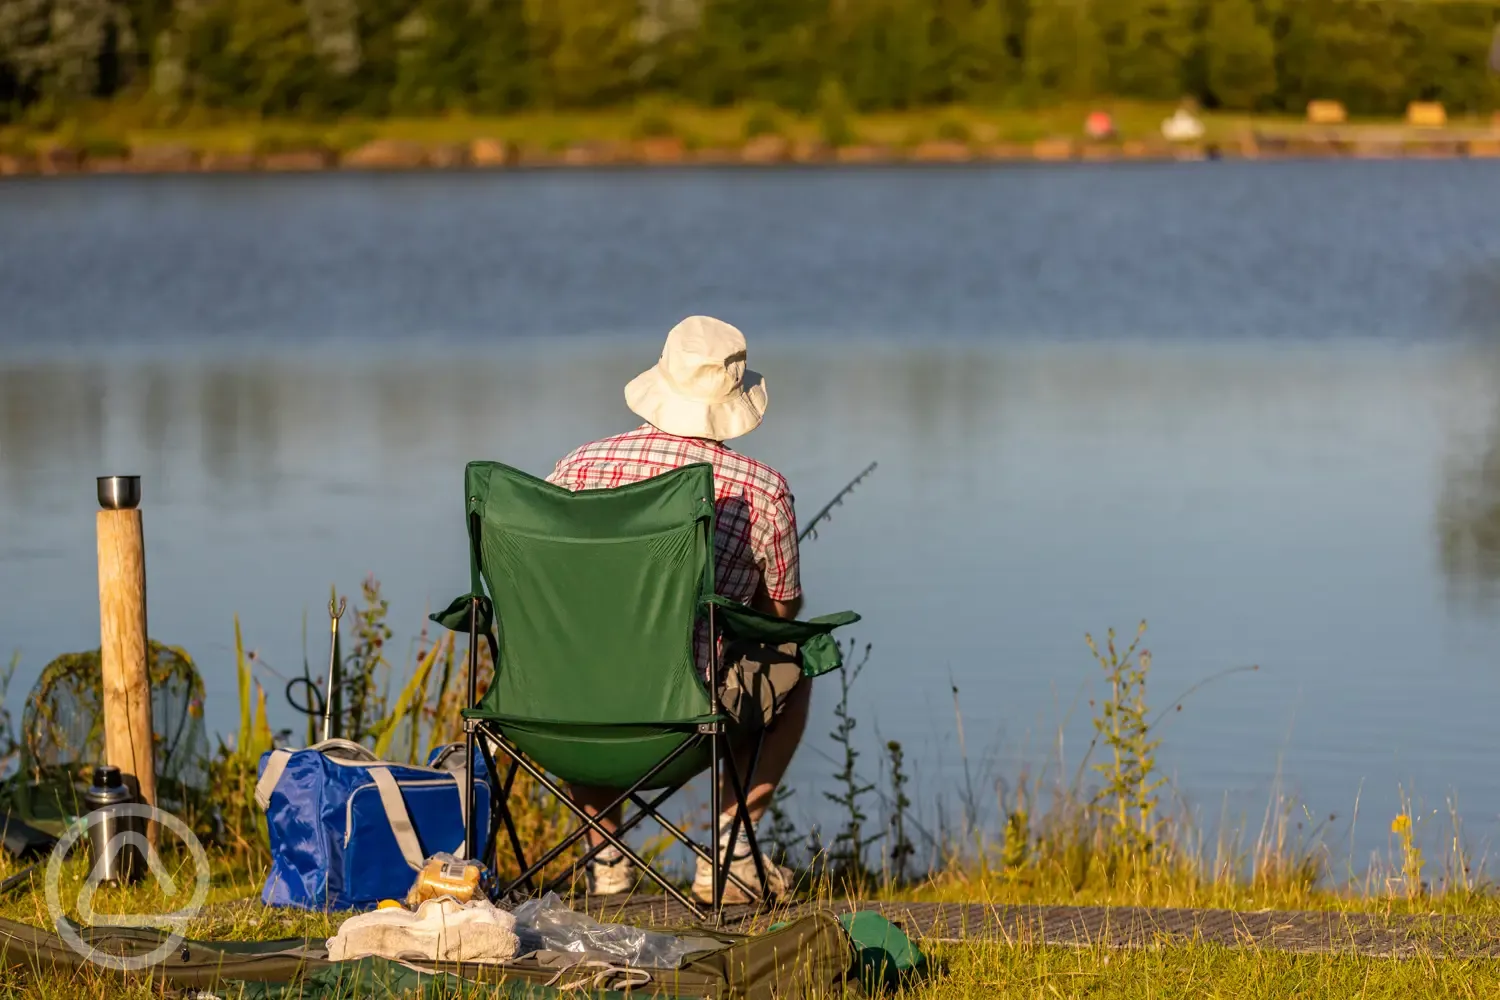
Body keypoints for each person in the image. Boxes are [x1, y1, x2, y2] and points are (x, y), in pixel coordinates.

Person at [545, 315, 807, 904]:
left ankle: (605, 857)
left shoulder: (576, 469)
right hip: (692, 715)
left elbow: (539, 593)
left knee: (578, 659)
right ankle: (730, 854)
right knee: (799, 662)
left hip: (564, 712)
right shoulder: (761, 489)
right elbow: (783, 615)